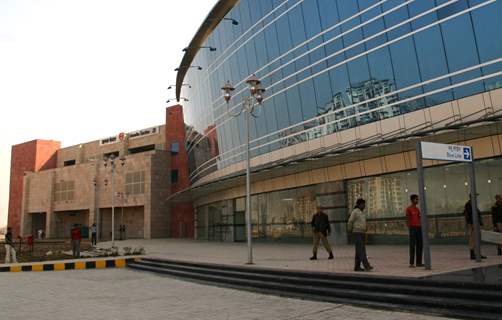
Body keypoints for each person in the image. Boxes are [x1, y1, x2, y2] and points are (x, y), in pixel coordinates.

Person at [347, 198, 373, 271]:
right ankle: (366, 265)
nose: (364, 205)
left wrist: (365, 229)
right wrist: (349, 230)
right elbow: (350, 221)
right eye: (362, 204)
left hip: (362, 232)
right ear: (358, 204)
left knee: (359, 250)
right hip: (357, 232)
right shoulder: (355, 212)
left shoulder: (362, 212)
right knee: (361, 250)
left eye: (364, 204)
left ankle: (357, 266)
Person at [406, 194, 424, 268]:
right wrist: (410, 228)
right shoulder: (409, 209)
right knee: (412, 246)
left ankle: (419, 262)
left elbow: (419, 218)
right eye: (416, 199)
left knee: (420, 245)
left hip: (419, 228)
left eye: (417, 199)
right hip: (413, 228)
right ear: (412, 200)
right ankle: (411, 263)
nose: (417, 200)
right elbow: (407, 219)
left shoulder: (417, 209)